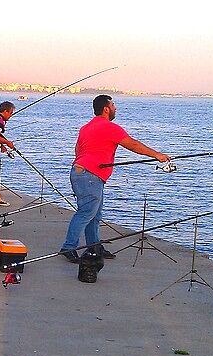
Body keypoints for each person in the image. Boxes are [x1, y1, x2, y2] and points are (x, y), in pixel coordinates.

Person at [59, 95, 170, 274]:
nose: (115, 108)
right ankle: (69, 247)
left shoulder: (86, 127)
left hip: (84, 172)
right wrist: (156, 155)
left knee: (95, 215)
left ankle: (94, 247)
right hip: (89, 175)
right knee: (87, 212)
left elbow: (78, 150)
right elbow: (132, 145)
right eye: (113, 105)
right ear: (106, 109)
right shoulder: (109, 127)